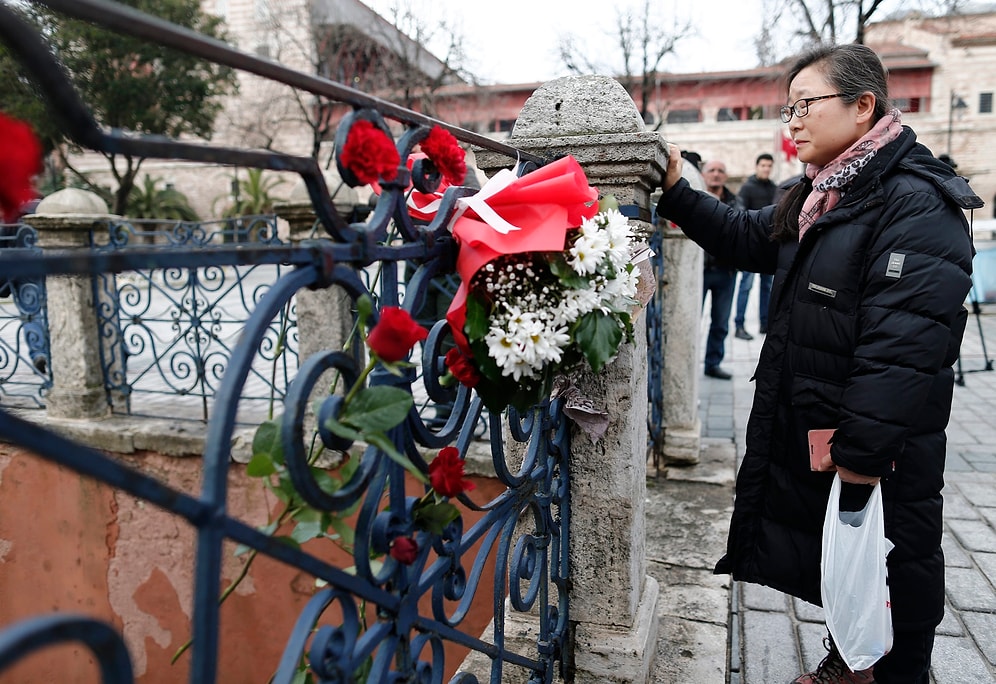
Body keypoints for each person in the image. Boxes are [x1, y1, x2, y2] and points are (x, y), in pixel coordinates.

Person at [656, 43, 982, 683]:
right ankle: (850, 665)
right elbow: (741, 234)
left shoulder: (914, 204)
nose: (792, 121)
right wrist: (675, 190)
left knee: (889, 567)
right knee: (848, 570)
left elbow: (903, 353)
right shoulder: (818, 197)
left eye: (806, 105)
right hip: (831, 436)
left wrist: (859, 460)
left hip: (875, 451)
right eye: (788, 107)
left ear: (864, 107)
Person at [699, 159, 739, 380]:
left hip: (726, 272)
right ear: (703, 175)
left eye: (720, 171)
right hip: (700, 271)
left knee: (721, 322)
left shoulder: (734, 202)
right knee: (693, 319)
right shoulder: (696, 200)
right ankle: (687, 362)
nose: (716, 174)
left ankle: (713, 363)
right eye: (711, 170)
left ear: (725, 176)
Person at [733, 153, 777, 340]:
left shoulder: (775, 189)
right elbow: (740, 214)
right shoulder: (747, 188)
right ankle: (739, 325)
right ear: (757, 166)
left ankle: (765, 324)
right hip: (751, 245)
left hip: (770, 245)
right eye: (763, 165)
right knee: (746, 286)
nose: (766, 169)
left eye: (769, 166)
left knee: (767, 287)